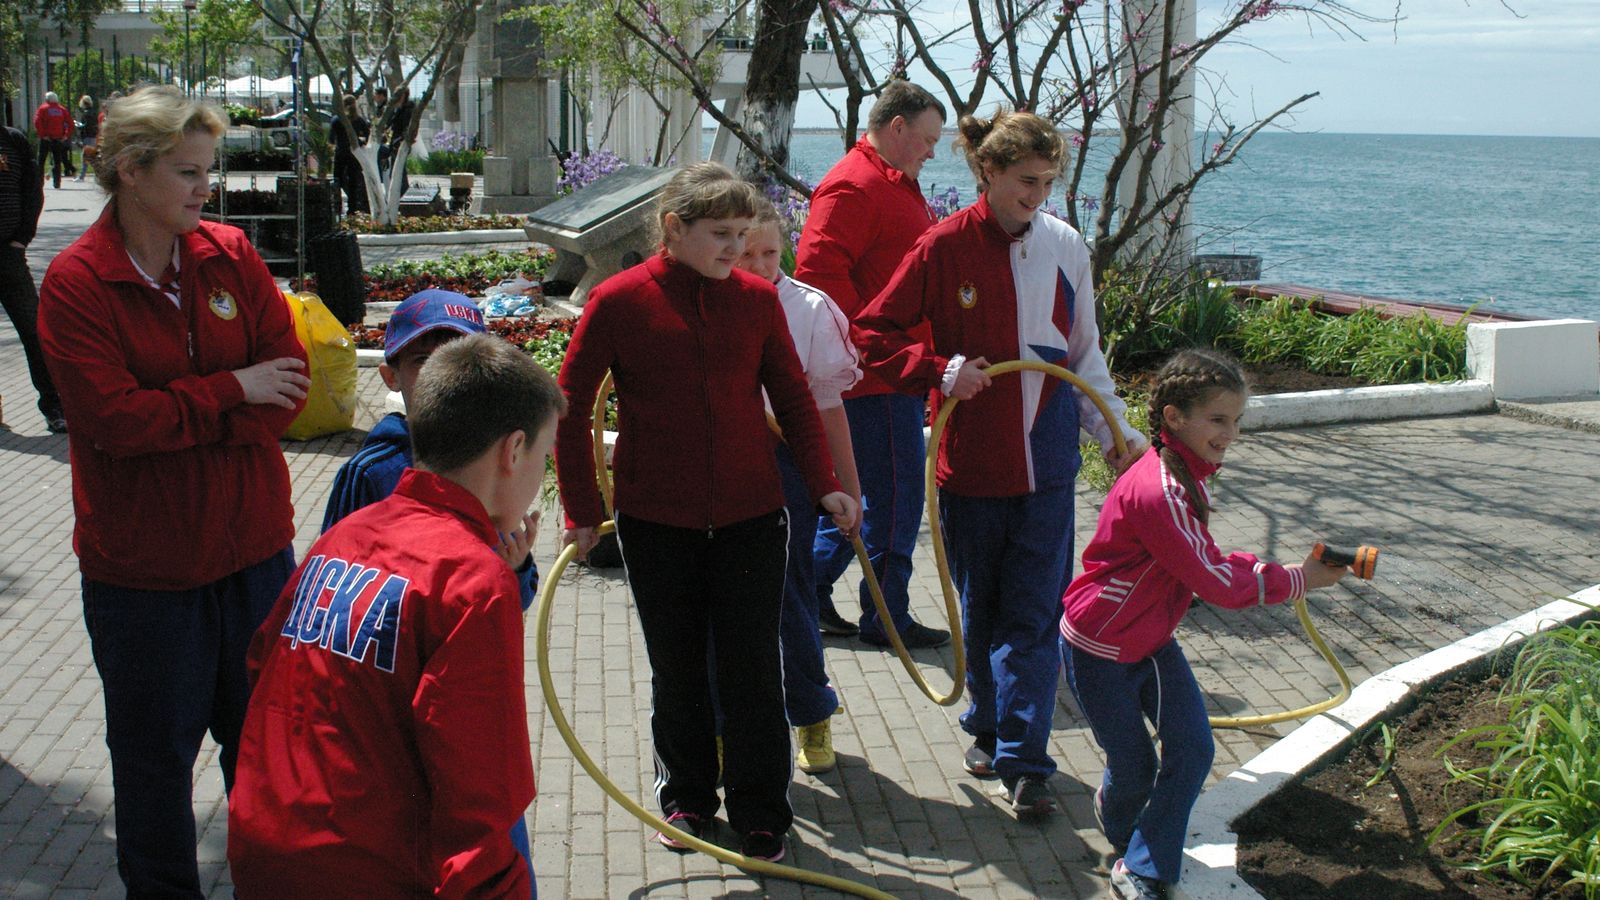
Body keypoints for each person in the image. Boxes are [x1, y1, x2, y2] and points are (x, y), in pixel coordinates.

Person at [36, 84, 310, 897]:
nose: (205, 189)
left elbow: (289, 390)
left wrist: (198, 409)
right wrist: (231, 393)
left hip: (256, 556)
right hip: (145, 579)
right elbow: (115, 423)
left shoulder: (232, 255)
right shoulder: (78, 284)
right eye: (188, 172)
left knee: (266, 759)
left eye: (208, 170)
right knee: (155, 772)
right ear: (129, 171)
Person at [555, 162, 858, 863]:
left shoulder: (756, 302)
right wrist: (580, 507)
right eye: (720, 234)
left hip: (753, 514)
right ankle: (687, 799)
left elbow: (794, 400)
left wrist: (826, 484)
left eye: (744, 234)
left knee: (755, 669)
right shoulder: (621, 300)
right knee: (679, 668)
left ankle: (761, 812)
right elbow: (568, 409)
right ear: (674, 228)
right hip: (656, 519)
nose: (734, 248)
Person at [852, 107, 1145, 817]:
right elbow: (871, 334)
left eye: (1046, 183)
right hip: (972, 466)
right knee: (982, 610)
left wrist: (1112, 428)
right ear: (986, 171)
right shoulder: (942, 246)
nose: (1035, 196)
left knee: (1035, 614)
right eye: (1023, 181)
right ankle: (985, 725)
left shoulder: (1066, 245)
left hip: (1047, 468)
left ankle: (1026, 759)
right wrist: (941, 368)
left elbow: (1083, 351)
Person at [229, 334, 560, 897]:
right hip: (373, 870)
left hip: (268, 844)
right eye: (545, 458)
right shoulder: (473, 580)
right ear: (513, 450)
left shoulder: (345, 536)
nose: (541, 476)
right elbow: (478, 785)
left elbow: (264, 665)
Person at [1060, 348, 1349, 900]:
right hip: (1099, 647)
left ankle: (1143, 864)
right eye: (1218, 419)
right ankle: (1121, 826)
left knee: (1193, 750)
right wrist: (1298, 579)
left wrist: (1282, 572)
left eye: (1237, 420)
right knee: (1135, 767)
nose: (1230, 433)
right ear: (1173, 417)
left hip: (1152, 640)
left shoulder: (1184, 472)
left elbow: (1205, 558)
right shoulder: (1162, 491)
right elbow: (1217, 582)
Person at [795, 79, 950, 646]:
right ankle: (883, 615)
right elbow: (819, 280)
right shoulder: (854, 188)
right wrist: (872, 349)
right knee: (891, 501)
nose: (933, 151)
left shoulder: (889, 181)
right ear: (897, 127)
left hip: (892, 372)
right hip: (875, 377)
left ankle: (804, 595)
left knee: (868, 498)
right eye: (928, 139)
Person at [733, 198, 862, 774]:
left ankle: (812, 712)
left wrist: (846, 488)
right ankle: (720, 728)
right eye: (747, 252)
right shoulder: (712, 300)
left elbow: (830, 408)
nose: (761, 264)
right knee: (724, 609)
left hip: (786, 462)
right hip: (723, 463)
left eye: (771, 251)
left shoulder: (809, 309)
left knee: (791, 595)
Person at [323, 289, 541, 609]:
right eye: (422, 360)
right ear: (390, 377)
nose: (443, 375)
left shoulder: (495, 462)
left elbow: (514, 596)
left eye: (458, 358)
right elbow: (333, 584)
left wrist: (518, 567)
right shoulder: (369, 472)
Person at [1, 121, 66, 433]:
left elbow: (32, 190)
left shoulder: (12, 141)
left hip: (8, 255)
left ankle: (55, 405)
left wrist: (22, 238)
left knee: (34, 329)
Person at [330, 93, 371, 215]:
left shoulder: (337, 120)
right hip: (354, 153)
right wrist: (360, 141)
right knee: (354, 180)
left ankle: (337, 207)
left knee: (337, 179)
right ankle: (352, 208)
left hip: (340, 153)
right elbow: (368, 136)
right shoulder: (359, 120)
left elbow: (331, 139)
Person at [32, 91, 75, 188]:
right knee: (57, 161)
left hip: (46, 138)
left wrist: (42, 134)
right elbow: (70, 124)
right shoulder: (62, 109)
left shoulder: (43, 109)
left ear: (47, 99)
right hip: (58, 138)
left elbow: (37, 122)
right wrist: (66, 135)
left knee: (41, 161)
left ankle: (39, 182)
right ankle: (57, 183)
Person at [75, 95, 98, 182]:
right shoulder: (94, 112)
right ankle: (96, 175)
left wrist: (78, 126)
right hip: (93, 135)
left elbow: (85, 126)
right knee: (92, 156)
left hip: (87, 136)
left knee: (86, 156)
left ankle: (82, 176)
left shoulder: (86, 114)